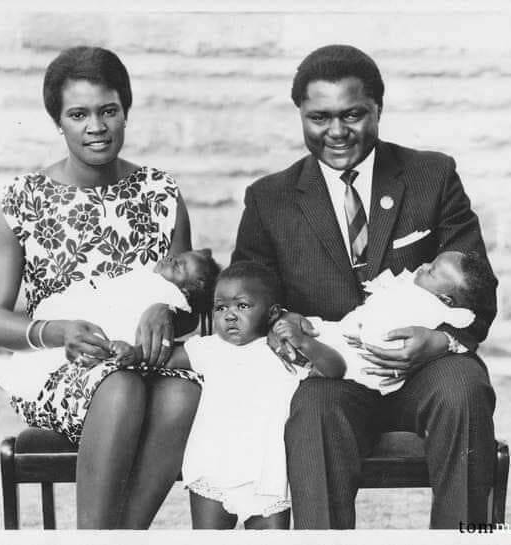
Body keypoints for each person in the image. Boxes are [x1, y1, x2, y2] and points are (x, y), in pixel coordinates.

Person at [232, 44, 498, 529]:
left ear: (378, 108)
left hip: (424, 369)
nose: (336, 131)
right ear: (301, 116)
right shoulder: (270, 199)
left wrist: (441, 340)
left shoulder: (431, 175)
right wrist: (280, 323)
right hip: (333, 374)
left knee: (464, 387)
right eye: (319, 117)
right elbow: (246, 293)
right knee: (312, 409)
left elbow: (479, 283)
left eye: (353, 114)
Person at [0, 46, 203, 529]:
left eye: (108, 111)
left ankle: (123, 535)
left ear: (126, 111)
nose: (95, 127)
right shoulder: (25, 199)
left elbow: (191, 300)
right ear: (58, 122)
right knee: (119, 389)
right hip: (58, 366)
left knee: (185, 395)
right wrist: (58, 332)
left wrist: (168, 312)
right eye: (78, 114)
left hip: (141, 357)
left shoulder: (160, 192)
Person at [107, 261, 346, 529]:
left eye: (242, 306)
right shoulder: (208, 348)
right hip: (212, 468)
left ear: (272, 314)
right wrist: (133, 353)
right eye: (221, 307)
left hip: (267, 474)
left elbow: (335, 369)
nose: (229, 315)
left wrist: (306, 343)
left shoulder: (283, 350)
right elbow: (165, 358)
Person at [0, 249, 220, 404]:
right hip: (72, 321)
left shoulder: (172, 297)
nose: (171, 259)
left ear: (192, 288)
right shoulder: (146, 276)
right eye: (175, 257)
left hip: (106, 337)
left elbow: (158, 336)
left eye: (179, 266)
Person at [281, 251, 492, 396]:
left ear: (446, 299)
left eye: (431, 272)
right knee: (321, 333)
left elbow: (471, 316)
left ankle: (310, 354)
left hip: (377, 355)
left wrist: (446, 340)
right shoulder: (417, 288)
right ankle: (302, 346)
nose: (423, 266)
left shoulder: (427, 305)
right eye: (430, 262)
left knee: (463, 386)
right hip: (353, 330)